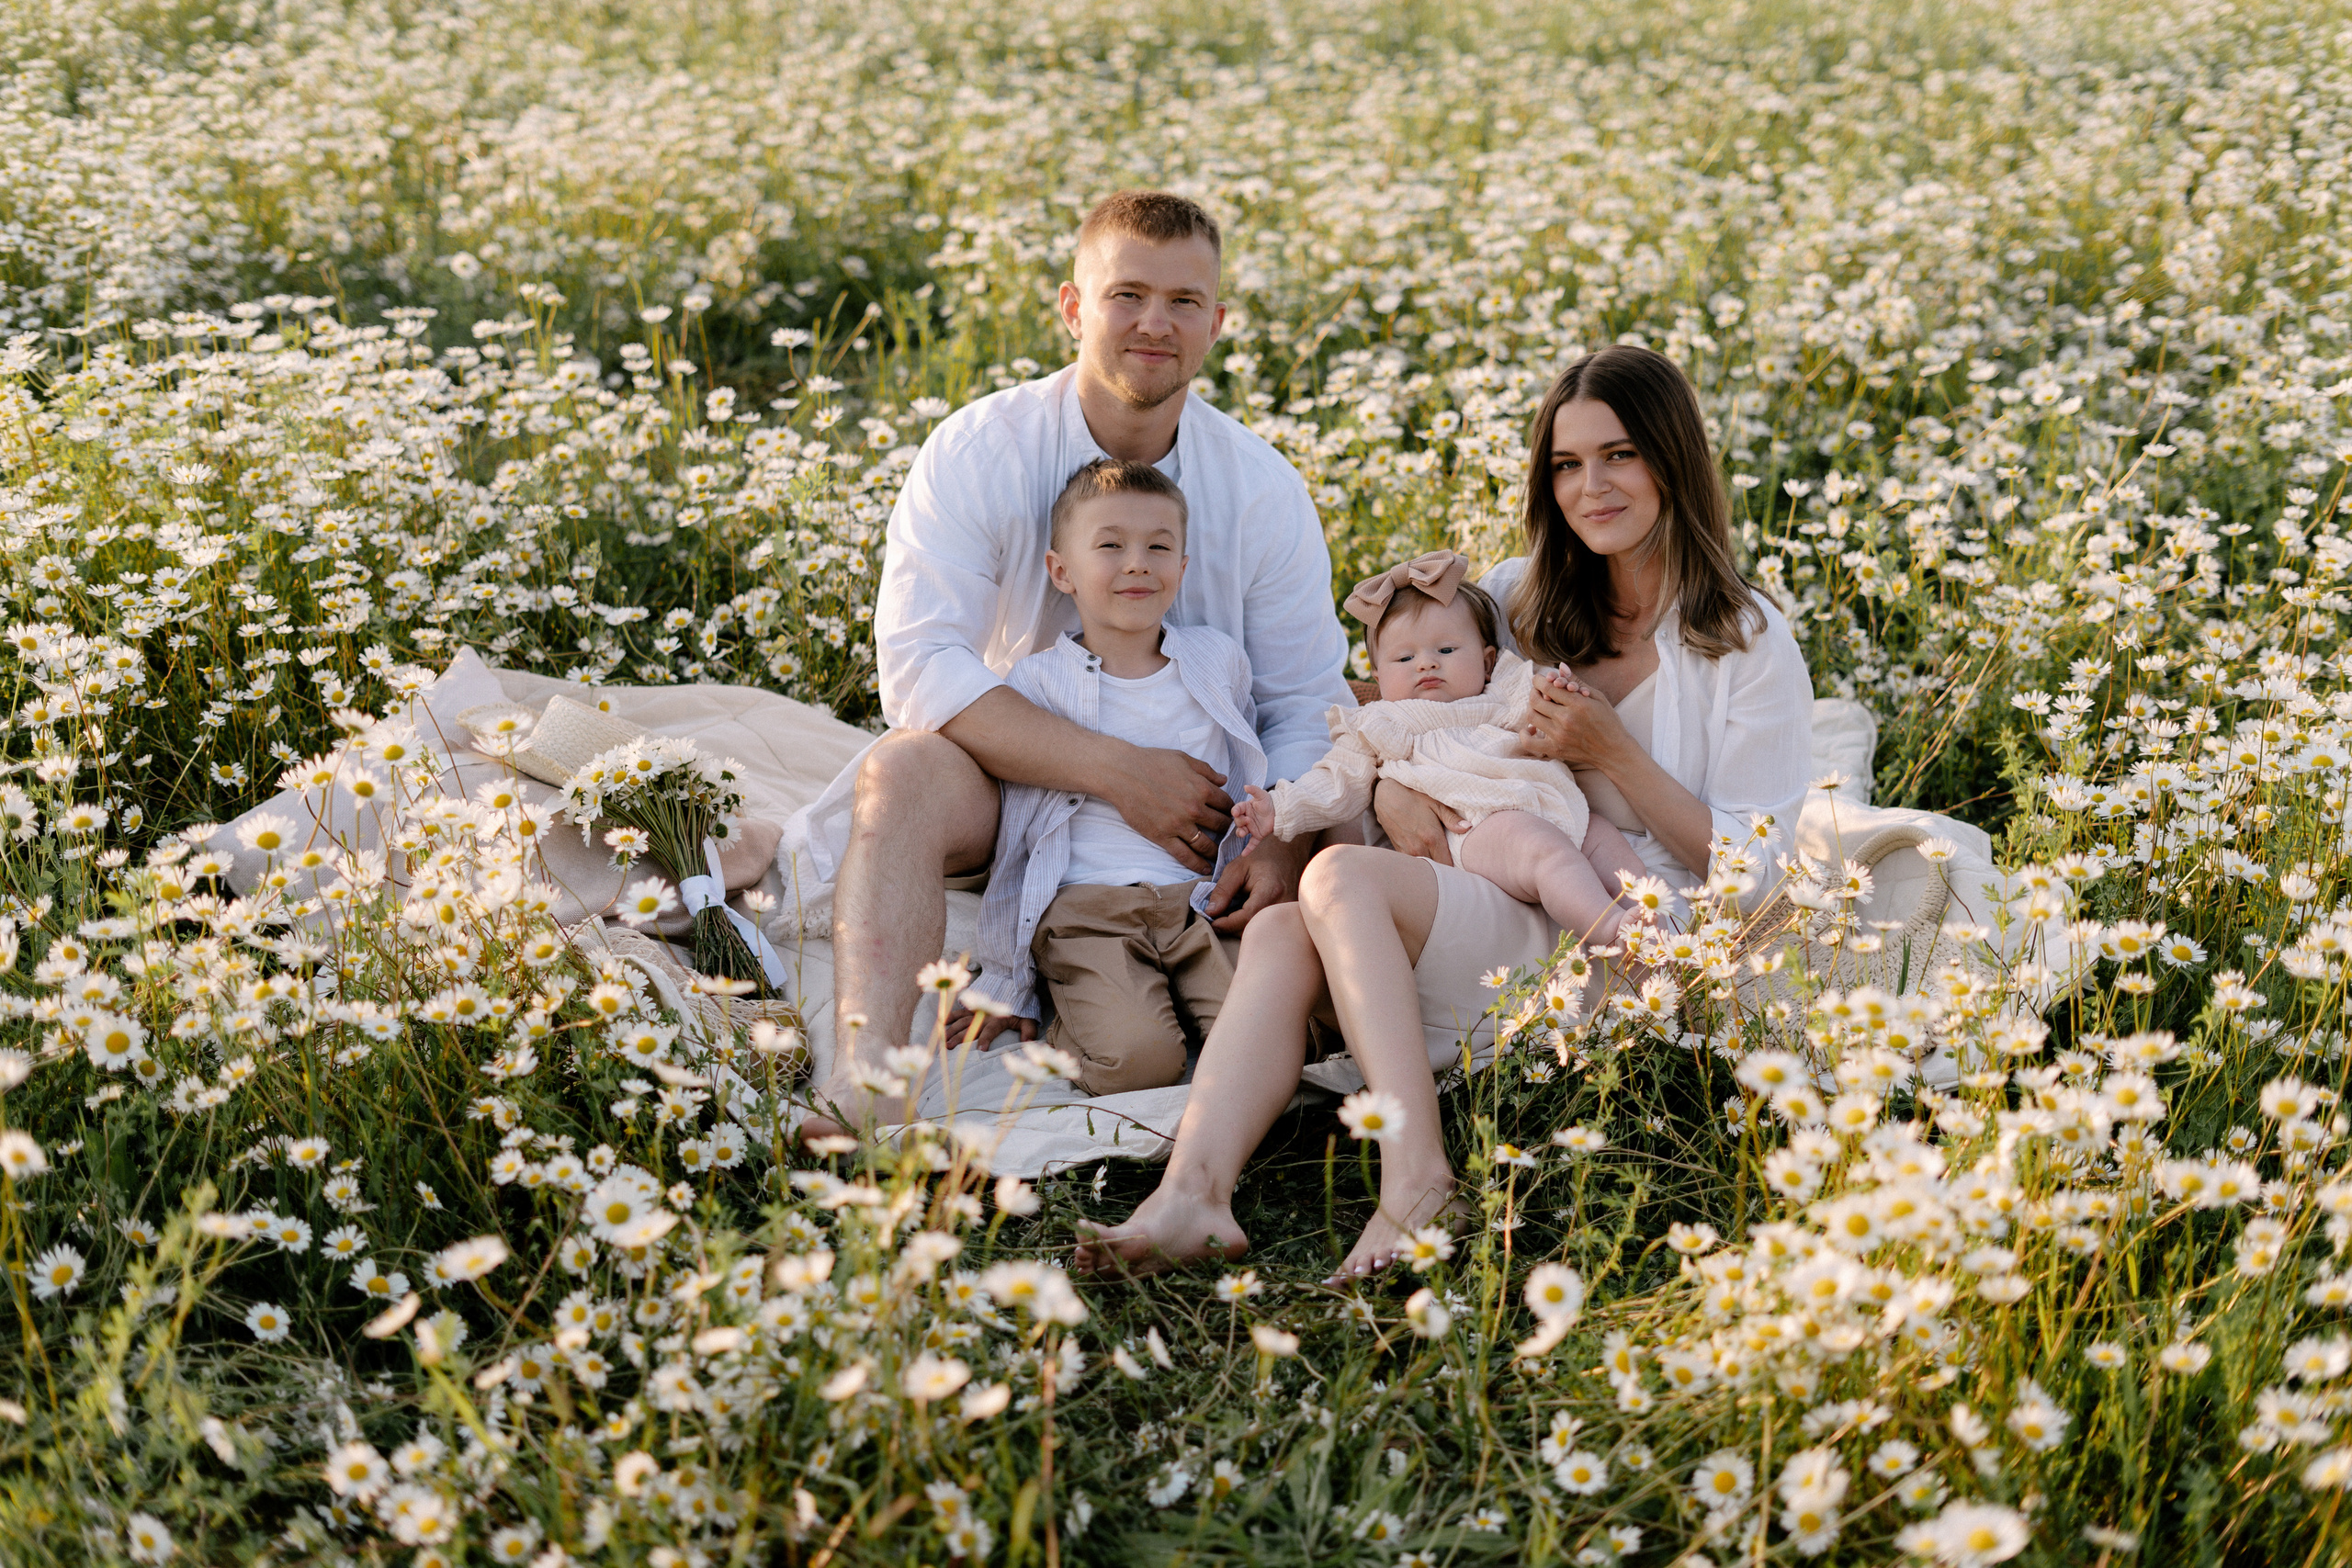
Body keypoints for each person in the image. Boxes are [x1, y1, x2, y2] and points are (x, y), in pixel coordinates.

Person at [1073, 344, 1815, 1282]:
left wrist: (1610, 754)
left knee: (1337, 877)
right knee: (1282, 932)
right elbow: (1398, 708)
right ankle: (1192, 1194)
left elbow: (1759, 879)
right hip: (1488, 889)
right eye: (1566, 464)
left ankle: (1419, 1179)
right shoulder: (1512, 597)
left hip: (1626, 934)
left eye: (1619, 455)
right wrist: (1389, 784)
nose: (1592, 487)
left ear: (1674, 460)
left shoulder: (1741, 640)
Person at [786, 190, 1353, 1137]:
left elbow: (1303, 697)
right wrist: (1117, 771)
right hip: (1003, 775)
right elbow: (921, 670)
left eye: (1182, 301)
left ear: (1218, 321)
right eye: (1126, 293)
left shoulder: (1261, 488)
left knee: (1347, 829)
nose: (1153, 324)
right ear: (1071, 307)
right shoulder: (979, 450)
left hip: (1195, 826)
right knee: (899, 767)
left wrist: (1283, 832)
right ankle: (866, 1081)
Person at [964, 457, 1264, 1095]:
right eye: (1110, 545)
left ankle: (1178, 1008)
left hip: (1197, 904)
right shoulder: (1038, 684)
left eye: (1159, 546)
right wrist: (1006, 973)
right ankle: (1072, 1014)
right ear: (1061, 571)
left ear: (1182, 570)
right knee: (1139, 1061)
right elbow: (1019, 836)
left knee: (1264, 1038)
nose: (1137, 562)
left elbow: (1249, 766)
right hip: (1088, 908)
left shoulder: (1218, 663)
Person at [1231, 549, 1657, 953]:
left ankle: (1666, 927)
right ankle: (1608, 929)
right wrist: (1279, 809)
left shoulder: (1503, 695)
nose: (1426, 664)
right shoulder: (1379, 725)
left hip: (1556, 807)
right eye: (1404, 658)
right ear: (1377, 679)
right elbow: (1334, 782)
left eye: (1447, 650)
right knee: (1541, 848)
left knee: (1604, 838)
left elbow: (1546, 706)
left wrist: (1562, 690)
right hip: (1472, 832)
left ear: (1488, 662)